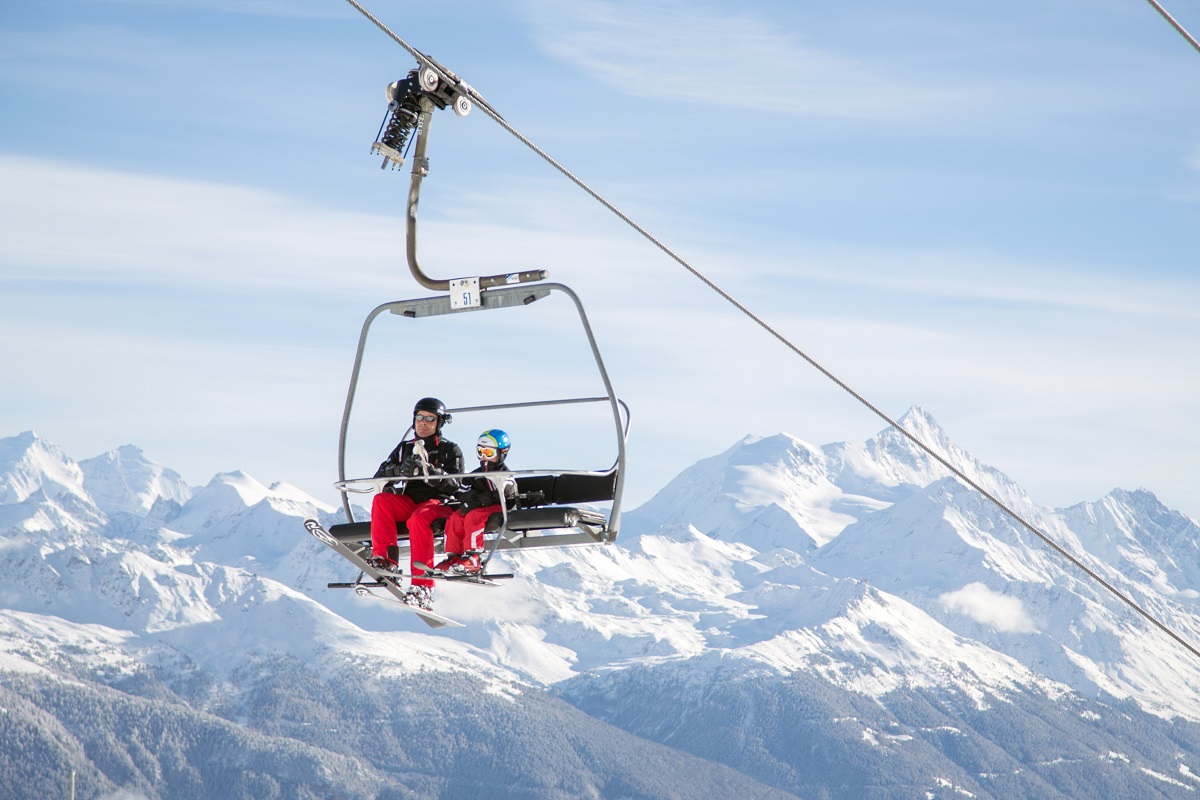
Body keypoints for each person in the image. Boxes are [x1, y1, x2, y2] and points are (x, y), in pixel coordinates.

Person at [368, 397, 464, 610]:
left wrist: (430, 472)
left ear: (439, 423)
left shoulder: (450, 450)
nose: (423, 422)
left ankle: (423, 585)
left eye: (430, 418)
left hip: (438, 503)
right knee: (381, 500)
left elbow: (457, 484)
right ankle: (386, 561)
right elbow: (380, 475)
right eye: (419, 417)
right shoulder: (404, 449)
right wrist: (396, 472)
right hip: (411, 501)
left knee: (419, 519)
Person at [435, 429, 517, 575]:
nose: (484, 457)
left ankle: (474, 557)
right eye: (481, 452)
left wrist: (479, 500)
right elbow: (461, 490)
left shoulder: (504, 475)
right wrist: (468, 498)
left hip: (499, 507)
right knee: (455, 518)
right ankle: (454, 556)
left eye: (489, 453)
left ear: (502, 453)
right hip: (477, 507)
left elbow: (506, 493)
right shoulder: (476, 475)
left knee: (474, 516)